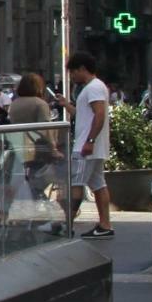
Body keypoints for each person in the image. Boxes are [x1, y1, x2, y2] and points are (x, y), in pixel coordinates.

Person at [54, 52, 114, 240]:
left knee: (75, 183)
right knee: (98, 184)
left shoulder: (94, 88)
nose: (71, 76)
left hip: (85, 146)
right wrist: (66, 105)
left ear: (82, 69)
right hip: (93, 145)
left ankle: (66, 223)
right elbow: (84, 115)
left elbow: (99, 114)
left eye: (73, 72)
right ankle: (105, 224)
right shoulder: (94, 87)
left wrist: (89, 140)